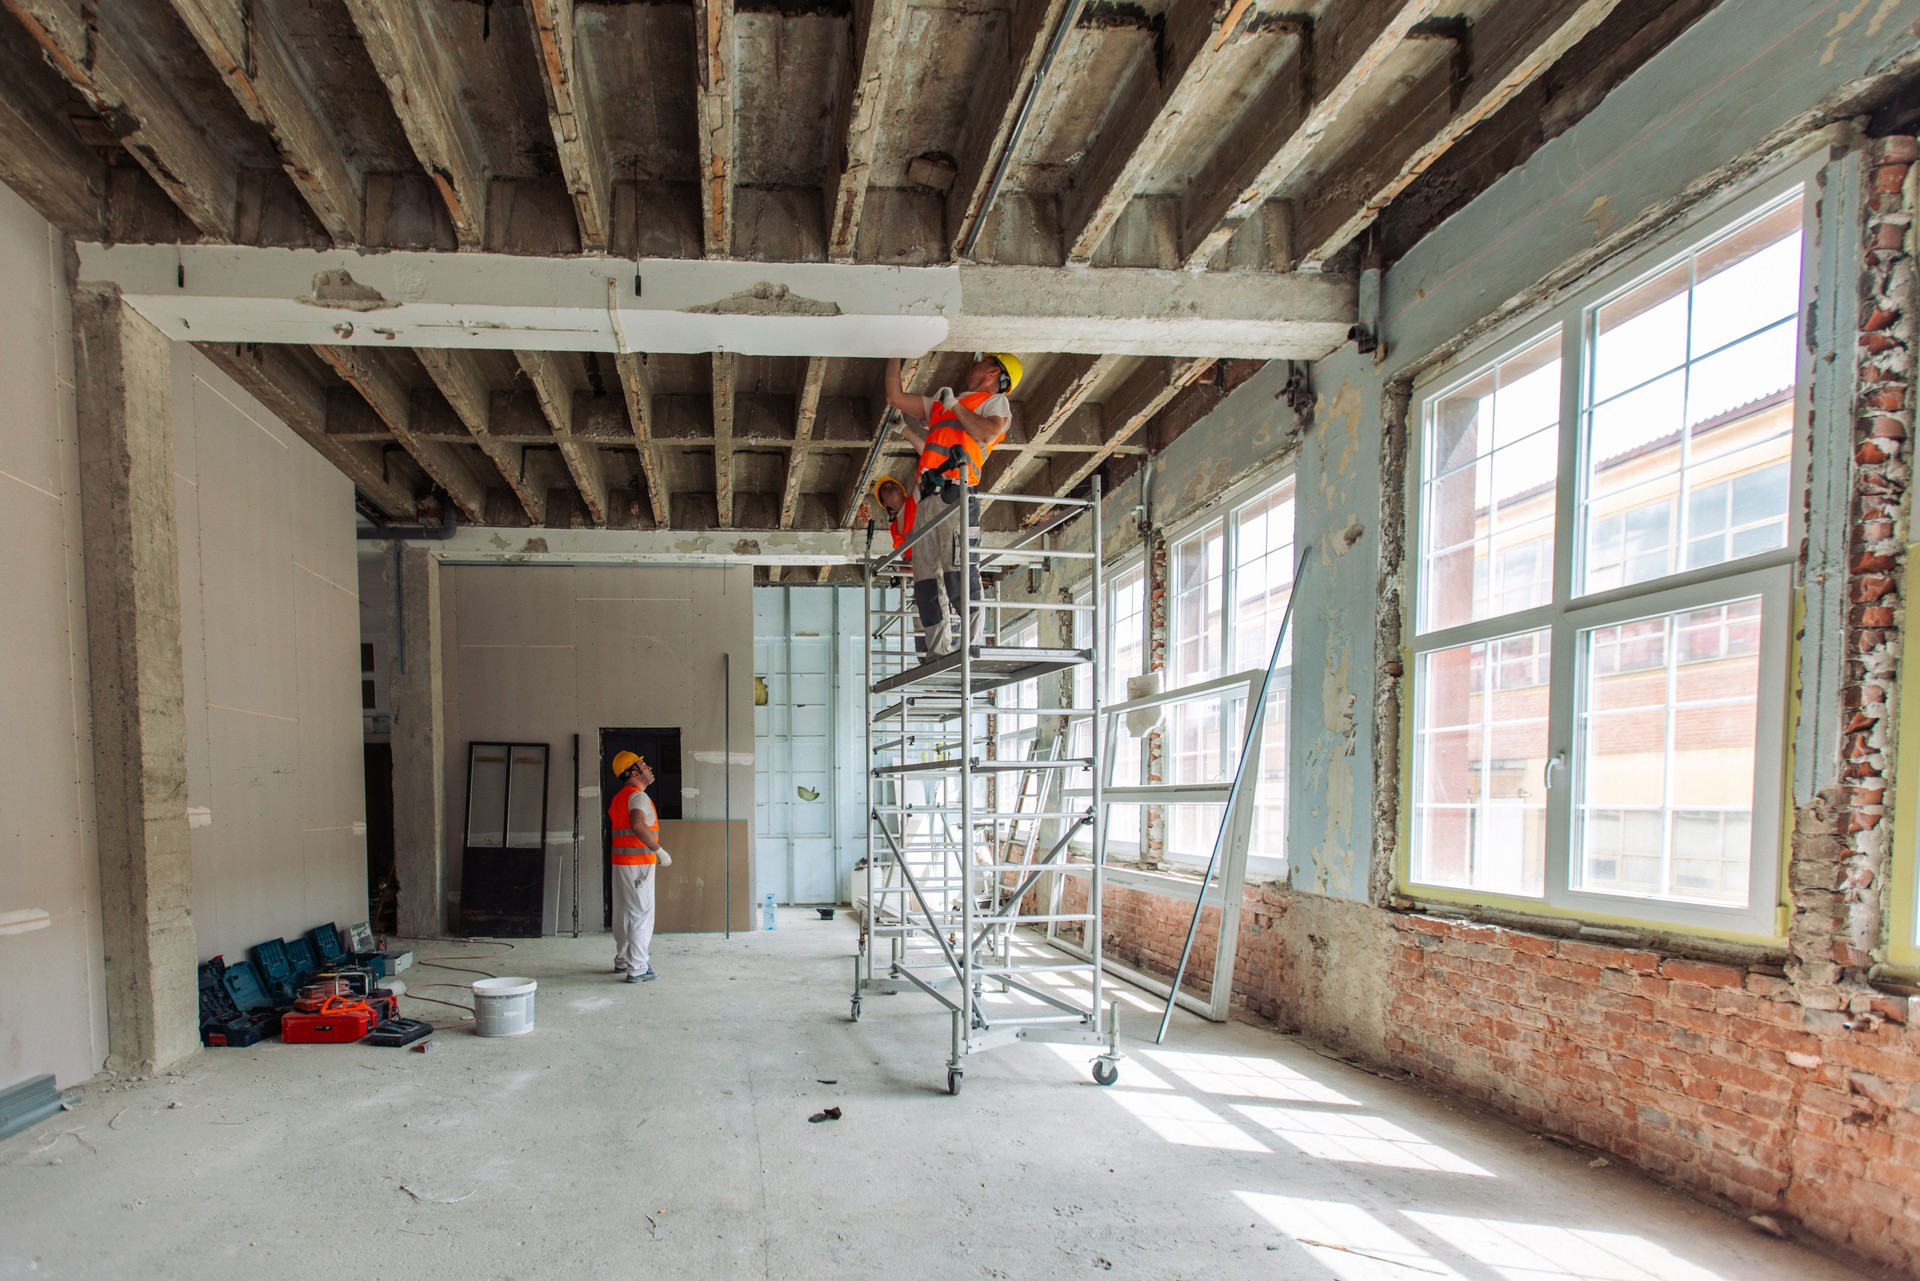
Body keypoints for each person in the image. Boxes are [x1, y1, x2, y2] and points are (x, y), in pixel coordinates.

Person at [883, 352, 1022, 658]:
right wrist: (893, 352)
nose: (975, 363)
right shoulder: (941, 405)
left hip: (955, 494)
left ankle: (970, 649)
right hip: (926, 498)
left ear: (994, 373)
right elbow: (895, 396)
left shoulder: (995, 403)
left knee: (958, 574)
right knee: (925, 584)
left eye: (983, 361)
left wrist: (954, 405)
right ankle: (937, 652)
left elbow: (988, 432)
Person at [607, 750, 670, 983]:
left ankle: (623, 959)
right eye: (644, 764)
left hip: (621, 863)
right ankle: (638, 967)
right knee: (641, 915)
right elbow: (638, 824)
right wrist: (659, 850)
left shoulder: (619, 798)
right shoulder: (638, 797)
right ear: (634, 771)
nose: (649, 768)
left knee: (624, 913)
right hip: (639, 865)